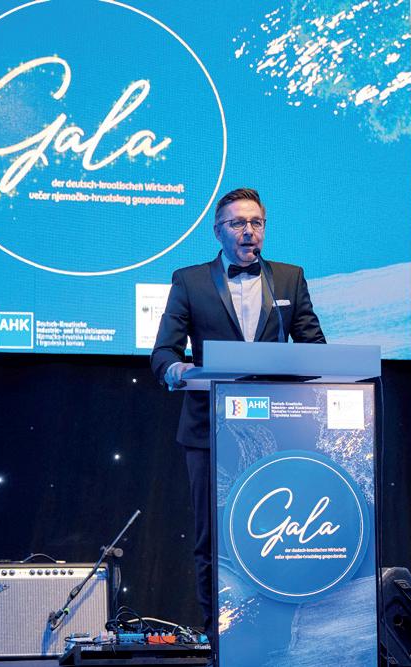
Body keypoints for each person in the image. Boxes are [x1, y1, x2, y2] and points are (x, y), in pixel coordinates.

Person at [150, 187, 326, 636]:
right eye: (238, 223)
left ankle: (280, 632)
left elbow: (315, 349)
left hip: (278, 428)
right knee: (213, 538)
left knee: (279, 532)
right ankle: (219, 637)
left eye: (256, 223)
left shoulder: (289, 278)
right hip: (209, 431)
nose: (249, 231)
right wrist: (176, 369)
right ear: (218, 231)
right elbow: (163, 352)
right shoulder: (189, 281)